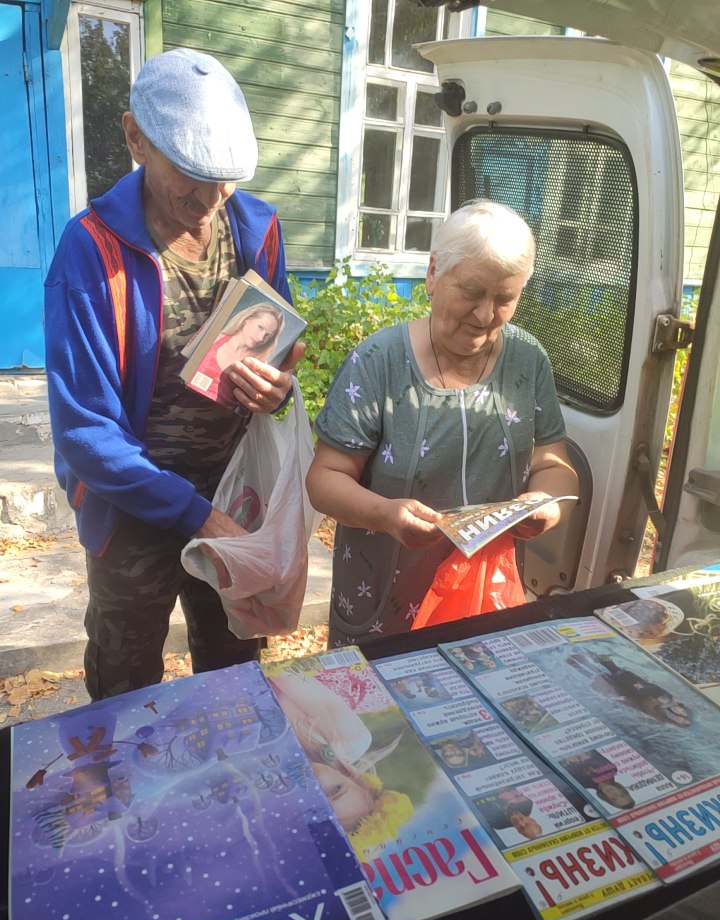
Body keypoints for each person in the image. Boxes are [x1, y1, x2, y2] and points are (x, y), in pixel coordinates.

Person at [44, 48, 304, 701]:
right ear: (136, 138)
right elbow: (85, 432)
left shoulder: (257, 229)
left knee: (235, 667)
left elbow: (278, 343)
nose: (210, 200)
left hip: (234, 490)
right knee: (126, 682)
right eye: (190, 174)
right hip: (131, 505)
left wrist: (275, 388)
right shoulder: (91, 249)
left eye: (225, 179)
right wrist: (196, 517)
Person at [306, 200, 578, 647]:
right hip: (384, 607)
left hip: (483, 599)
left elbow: (553, 462)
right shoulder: (378, 362)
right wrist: (384, 515)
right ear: (433, 273)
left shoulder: (528, 360)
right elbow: (324, 479)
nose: (485, 315)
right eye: (471, 291)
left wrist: (547, 503)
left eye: (504, 299)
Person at [267, 669, 414, 844]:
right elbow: (288, 674)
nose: (319, 788)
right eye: (335, 790)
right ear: (353, 777)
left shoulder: (274, 780)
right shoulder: (350, 740)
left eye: (317, 804)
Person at [197, 303, 285, 407]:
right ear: (247, 319)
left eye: (268, 335)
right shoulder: (214, 338)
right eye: (260, 327)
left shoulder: (260, 366)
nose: (261, 338)